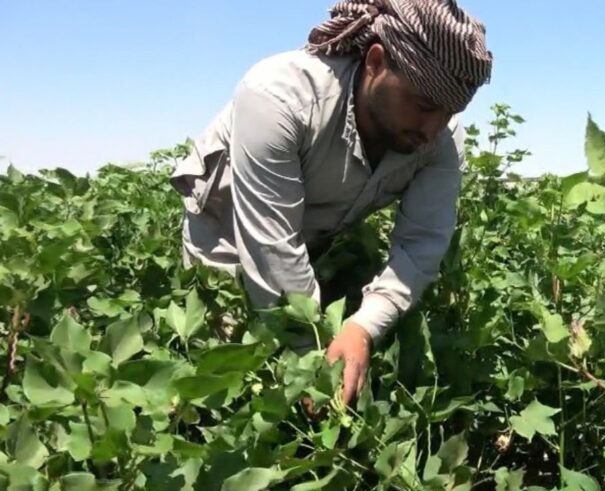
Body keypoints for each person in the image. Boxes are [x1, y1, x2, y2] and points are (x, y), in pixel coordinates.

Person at [168, 0, 492, 406]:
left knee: (320, 372)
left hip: (313, 238)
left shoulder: (439, 139)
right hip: (224, 234)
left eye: (448, 113)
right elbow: (273, 248)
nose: (432, 129)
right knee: (227, 376)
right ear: (375, 62)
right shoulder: (279, 96)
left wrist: (362, 328)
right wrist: (312, 354)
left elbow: (422, 243)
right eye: (424, 105)